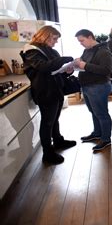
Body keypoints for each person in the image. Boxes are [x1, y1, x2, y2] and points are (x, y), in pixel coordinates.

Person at [20, 26, 77, 164]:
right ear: (46, 36)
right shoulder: (31, 51)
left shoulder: (51, 51)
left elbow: (56, 69)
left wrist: (67, 70)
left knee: (55, 118)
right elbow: (44, 67)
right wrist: (63, 60)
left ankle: (58, 141)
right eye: (54, 39)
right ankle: (48, 154)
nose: (56, 42)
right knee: (47, 122)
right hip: (45, 91)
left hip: (56, 89)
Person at [74, 29, 112, 152]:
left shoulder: (104, 51)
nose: (81, 43)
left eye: (82, 40)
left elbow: (107, 70)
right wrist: (75, 64)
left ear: (90, 37)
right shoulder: (87, 50)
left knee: (101, 114)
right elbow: (83, 64)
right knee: (94, 112)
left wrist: (84, 65)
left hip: (98, 87)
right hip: (88, 86)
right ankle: (97, 133)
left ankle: (106, 139)